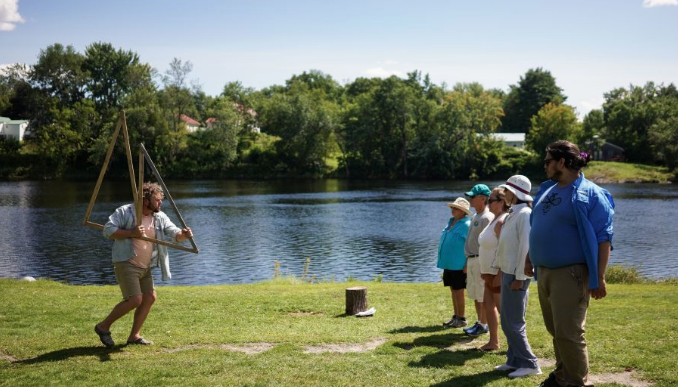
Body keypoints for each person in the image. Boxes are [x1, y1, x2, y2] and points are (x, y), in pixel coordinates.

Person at [528, 140, 614, 387]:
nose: (544, 166)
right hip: (544, 272)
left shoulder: (591, 193)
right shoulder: (548, 188)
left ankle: (576, 382)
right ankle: (563, 375)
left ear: (562, 162)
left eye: (547, 161)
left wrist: (599, 277)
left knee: (570, 333)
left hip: (571, 274)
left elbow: (603, 238)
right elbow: (538, 227)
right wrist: (529, 257)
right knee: (556, 330)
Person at [94, 182, 194, 348]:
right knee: (135, 299)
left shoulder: (159, 216)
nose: (160, 203)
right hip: (126, 262)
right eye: (157, 200)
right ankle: (103, 327)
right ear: (145, 201)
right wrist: (131, 233)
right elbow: (108, 231)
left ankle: (134, 336)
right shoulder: (125, 212)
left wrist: (183, 235)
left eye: (161, 200)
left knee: (149, 297)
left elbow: (174, 234)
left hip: (145, 266)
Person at [494, 175, 542, 378]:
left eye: (506, 191)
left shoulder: (524, 214)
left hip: (517, 275)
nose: (503, 194)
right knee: (506, 320)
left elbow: (525, 246)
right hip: (509, 272)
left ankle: (530, 363)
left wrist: (521, 277)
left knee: (513, 321)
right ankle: (514, 360)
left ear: (514, 193)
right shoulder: (514, 212)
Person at [477, 187, 510, 352]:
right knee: (488, 307)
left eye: (491, 200)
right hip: (487, 273)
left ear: (502, 202)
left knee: (505, 312)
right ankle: (493, 342)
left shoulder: (502, 221)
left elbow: (504, 249)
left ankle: (514, 345)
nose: (488, 203)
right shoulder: (493, 219)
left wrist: (499, 273)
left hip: (496, 273)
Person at [462, 184, 494, 337]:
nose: (470, 199)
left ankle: (484, 323)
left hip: (481, 259)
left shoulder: (487, 217)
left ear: (483, 198)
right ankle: (480, 322)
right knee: (475, 294)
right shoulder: (475, 216)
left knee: (482, 294)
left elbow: (489, 243)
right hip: (472, 259)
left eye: (473, 197)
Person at [437, 197, 471, 328]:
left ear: (463, 212)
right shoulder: (451, 222)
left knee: (459, 291)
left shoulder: (467, 225)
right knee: (453, 290)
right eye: (453, 208)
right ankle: (456, 316)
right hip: (449, 264)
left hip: (459, 264)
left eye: (456, 208)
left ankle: (461, 318)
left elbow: (470, 246)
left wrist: (467, 264)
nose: (453, 210)